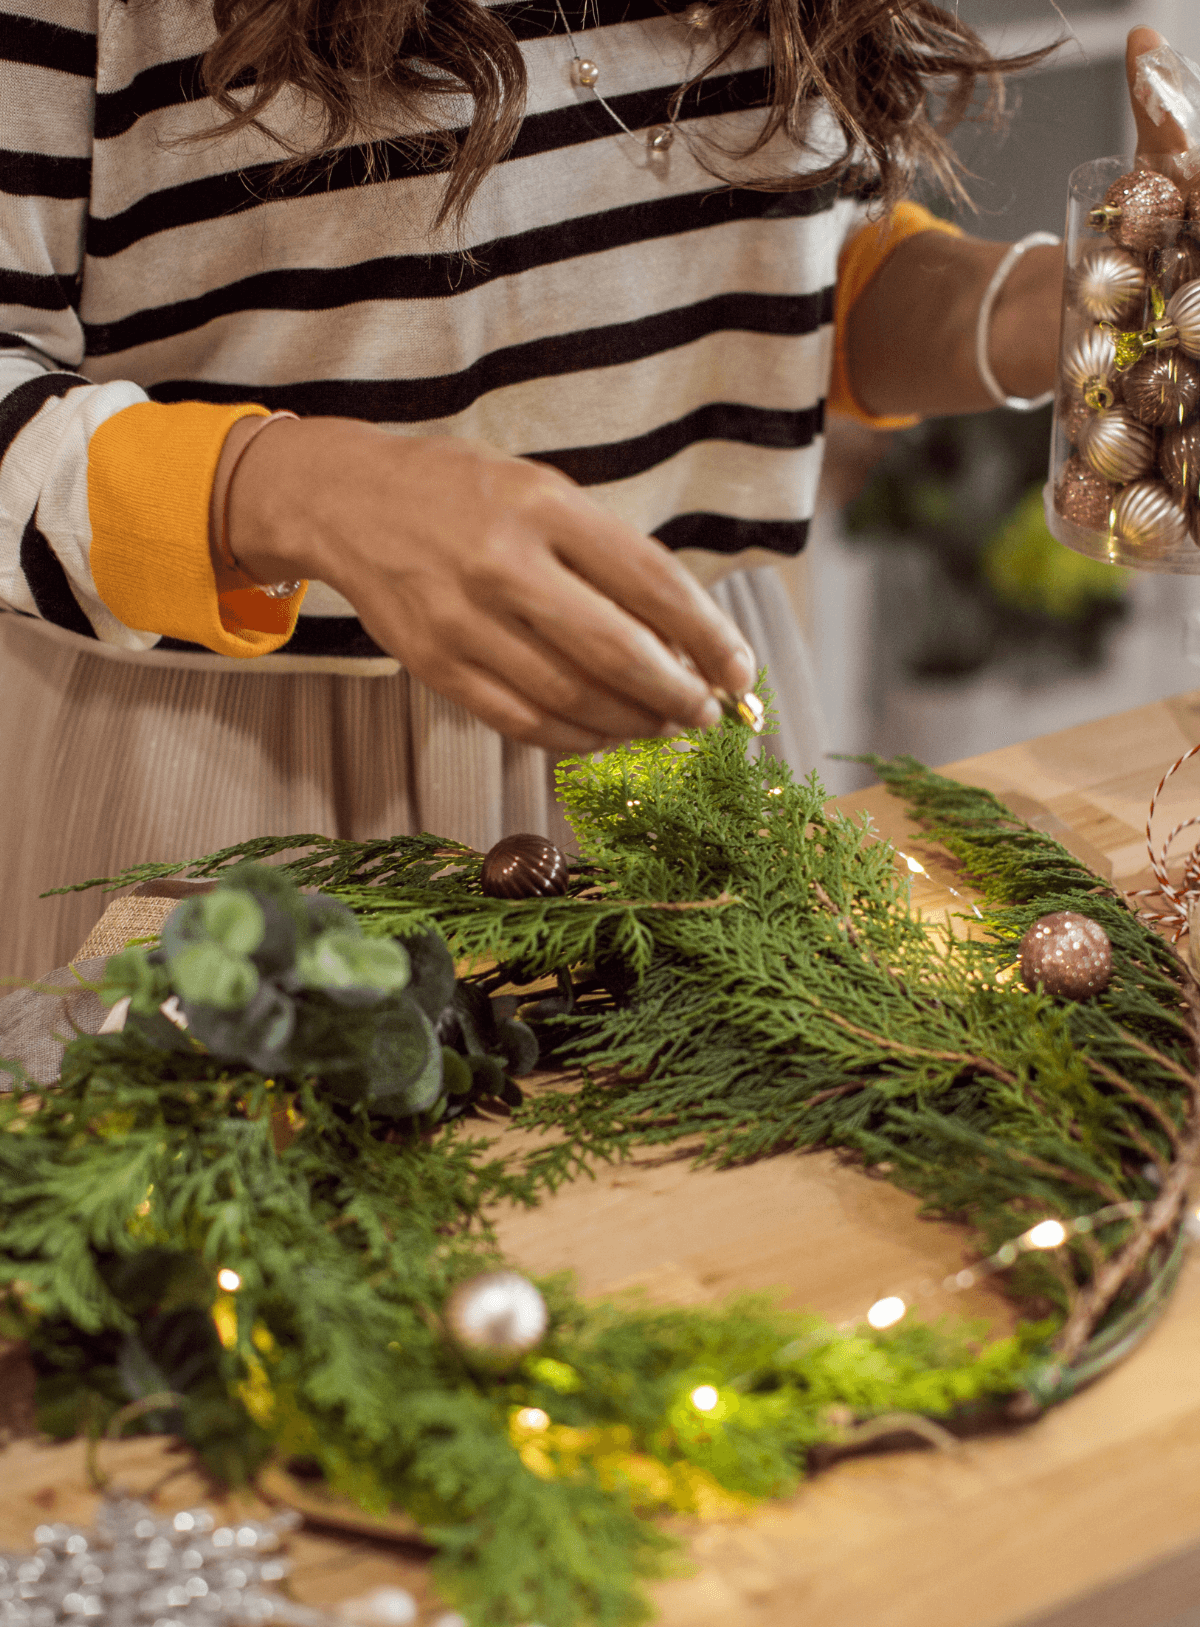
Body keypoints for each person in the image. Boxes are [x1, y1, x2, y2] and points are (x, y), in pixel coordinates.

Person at [0, 3, 1176, 979]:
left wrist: (1052, 315)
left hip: (693, 738)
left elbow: (754, 280)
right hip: (228, 784)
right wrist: (302, 494)